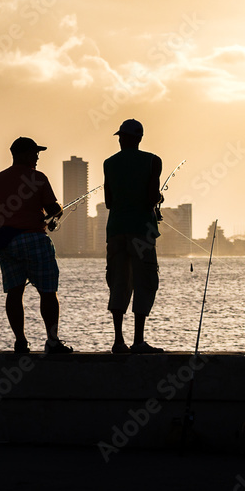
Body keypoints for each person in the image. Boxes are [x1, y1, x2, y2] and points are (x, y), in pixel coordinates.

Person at [0, 137, 72, 354]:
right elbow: (53, 209)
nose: (37, 157)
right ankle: (52, 340)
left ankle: (20, 341)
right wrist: (58, 211)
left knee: (14, 293)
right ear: (23, 154)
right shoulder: (37, 178)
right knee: (48, 292)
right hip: (33, 239)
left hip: (6, 242)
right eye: (35, 153)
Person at [103, 119, 164, 354]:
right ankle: (138, 341)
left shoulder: (109, 163)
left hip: (116, 230)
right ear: (139, 138)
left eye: (121, 137)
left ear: (123, 138)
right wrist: (157, 200)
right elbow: (151, 199)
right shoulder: (152, 161)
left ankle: (118, 341)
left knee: (119, 282)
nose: (119, 140)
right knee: (144, 282)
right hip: (141, 231)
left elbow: (109, 202)